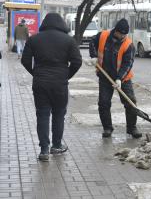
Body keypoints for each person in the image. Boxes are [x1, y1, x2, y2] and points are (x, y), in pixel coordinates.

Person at [21, 13, 82, 162]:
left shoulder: (34, 39)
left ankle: (43, 150)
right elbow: (77, 62)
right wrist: (66, 75)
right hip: (60, 83)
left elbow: (25, 60)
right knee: (59, 114)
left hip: (40, 83)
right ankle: (56, 145)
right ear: (61, 24)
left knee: (42, 114)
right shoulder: (69, 40)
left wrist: (35, 73)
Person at [89, 18, 143, 139]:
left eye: (125, 34)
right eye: (121, 34)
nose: (123, 36)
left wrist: (119, 78)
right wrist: (93, 56)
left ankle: (132, 128)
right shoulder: (103, 35)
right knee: (103, 103)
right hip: (104, 76)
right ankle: (107, 128)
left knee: (130, 102)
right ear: (116, 31)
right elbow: (92, 42)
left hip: (123, 79)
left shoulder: (128, 45)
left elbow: (127, 64)